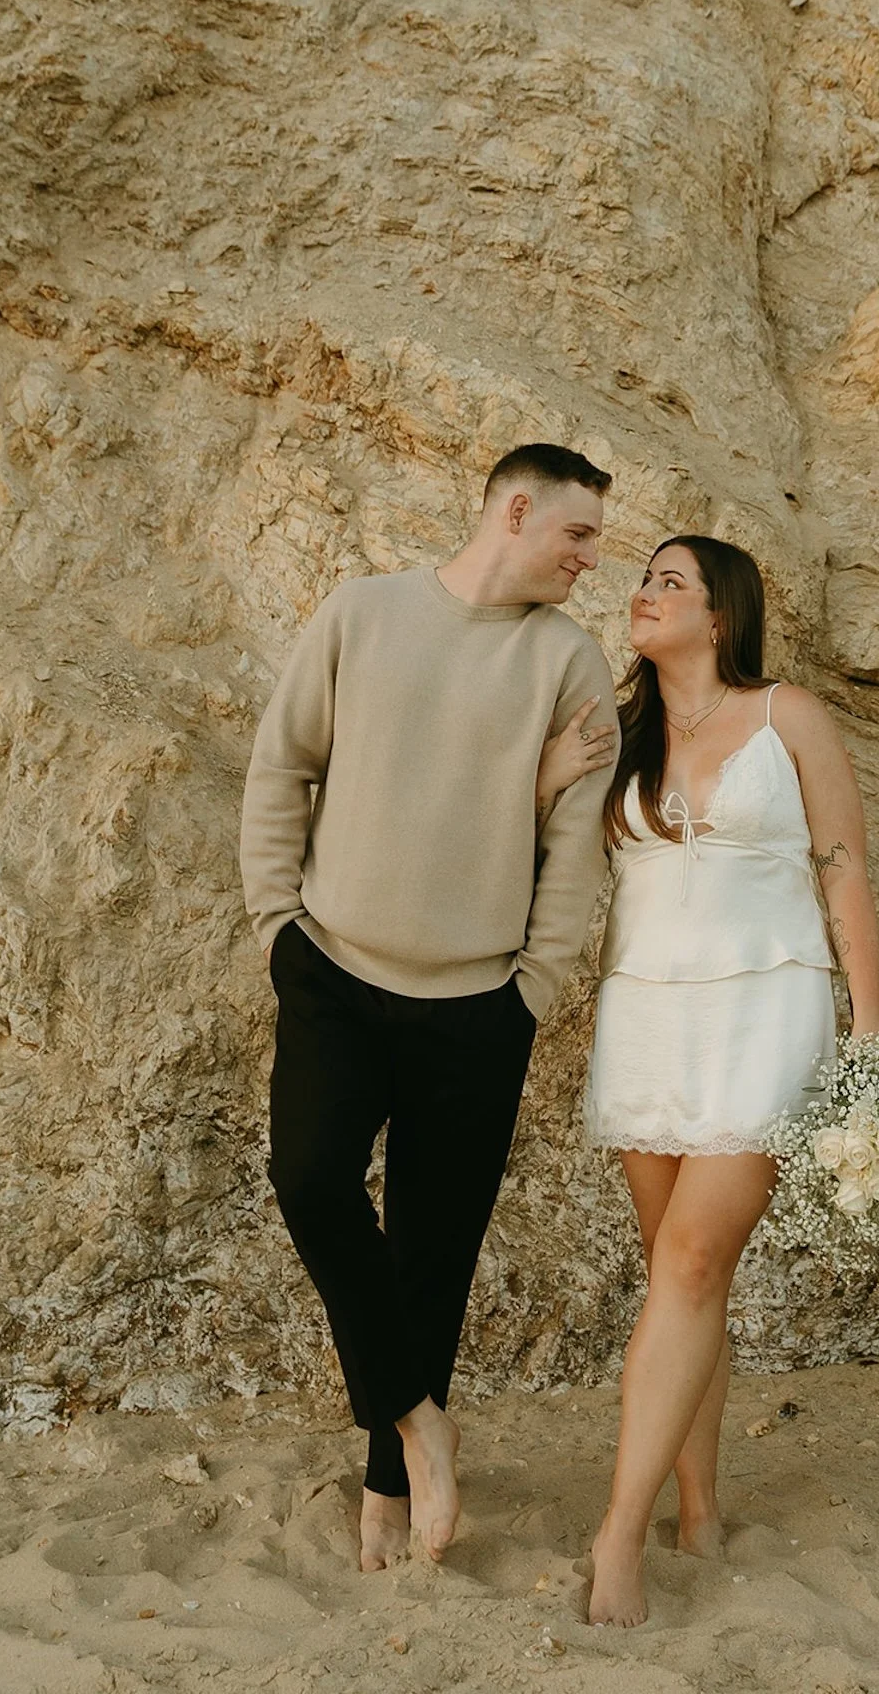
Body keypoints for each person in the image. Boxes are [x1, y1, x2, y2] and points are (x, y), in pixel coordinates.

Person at [239, 444, 618, 1572]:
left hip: (475, 1009)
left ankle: (389, 1493)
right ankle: (418, 1422)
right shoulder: (362, 613)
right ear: (515, 510)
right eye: (578, 536)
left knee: (432, 1255)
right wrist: (277, 925)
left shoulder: (569, 662)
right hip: (334, 976)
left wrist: (533, 992)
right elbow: (282, 766)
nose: (591, 562)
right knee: (307, 1179)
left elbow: (571, 854)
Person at [537, 534, 879, 1627]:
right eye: (641, 579)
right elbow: (533, 840)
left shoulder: (789, 720)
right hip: (645, 1012)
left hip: (764, 1008)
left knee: (691, 1261)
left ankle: (617, 1533)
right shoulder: (620, 730)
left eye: (666, 582)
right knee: (675, 1281)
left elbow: (842, 868)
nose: (641, 594)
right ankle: (697, 1505)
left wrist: (867, 1025)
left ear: (720, 616)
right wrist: (548, 776)